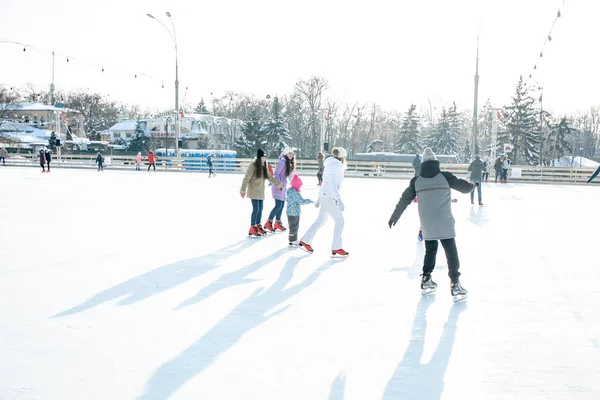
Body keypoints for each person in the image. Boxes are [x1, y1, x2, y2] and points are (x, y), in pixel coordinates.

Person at [388, 147, 475, 301]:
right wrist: (473, 185)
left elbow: (404, 199)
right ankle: (455, 284)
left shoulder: (416, 181)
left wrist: (395, 216)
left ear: (422, 164)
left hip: (427, 223)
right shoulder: (445, 177)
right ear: (436, 162)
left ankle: (426, 279)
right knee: (451, 253)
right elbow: (464, 188)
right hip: (444, 221)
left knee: (430, 251)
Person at [299, 147, 349, 257]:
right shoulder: (335, 166)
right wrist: (338, 199)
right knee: (340, 221)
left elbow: (325, 182)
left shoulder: (330, 164)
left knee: (321, 220)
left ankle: (305, 241)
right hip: (330, 197)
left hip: (325, 196)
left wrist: (320, 198)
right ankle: (336, 247)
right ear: (342, 157)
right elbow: (331, 183)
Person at [240, 148, 283, 237]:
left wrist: (278, 184)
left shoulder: (264, 167)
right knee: (256, 209)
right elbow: (246, 179)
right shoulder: (252, 167)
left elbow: (270, 177)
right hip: (253, 191)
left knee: (260, 209)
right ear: (259, 158)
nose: (264, 159)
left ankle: (258, 225)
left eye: (265, 158)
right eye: (262, 157)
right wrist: (243, 190)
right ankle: (252, 227)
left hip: (260, 192)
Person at [264, 148, 295, 233]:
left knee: (281, 206)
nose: (291, 155)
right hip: (278, 186)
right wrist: (279, 183)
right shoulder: (282, 162)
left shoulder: (287, 162)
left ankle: (277, 222)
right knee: (278, 205)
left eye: (292, 154)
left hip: (283, 186)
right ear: (285, 154)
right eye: (289, 154)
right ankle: (269, 222)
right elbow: (276, 173)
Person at [286, 174, 314, 246]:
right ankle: (292, 240)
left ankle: (293, 238)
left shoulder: (290, 191)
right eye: (299, 185)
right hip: (294, 213)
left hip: (290, 212)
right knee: (294, 226)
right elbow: (301, 201)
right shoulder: (295, 193)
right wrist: (309, 201)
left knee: (293, 226)